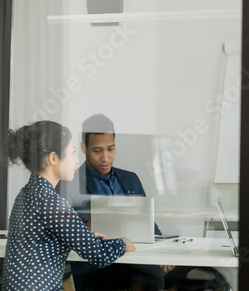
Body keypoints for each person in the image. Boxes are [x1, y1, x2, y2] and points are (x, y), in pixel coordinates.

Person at [58, 114, 229, 291]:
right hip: (100, 264)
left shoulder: (130, 179)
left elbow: (148, 223)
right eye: (97, 150)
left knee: (214, 279)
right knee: (152, 278)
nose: (106, 158)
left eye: (111, 149)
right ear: (84, 148)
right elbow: (70, 235)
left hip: (139, 258)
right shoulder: (70, 184)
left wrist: (163, 253)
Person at [2, 121, 135, 291]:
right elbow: (97, 254)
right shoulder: (51, 201)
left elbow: (43, 238)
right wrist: (123, 243)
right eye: (72, 152)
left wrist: (83, 235)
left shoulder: (26, 194)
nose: (76, 159)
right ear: (53, 158)